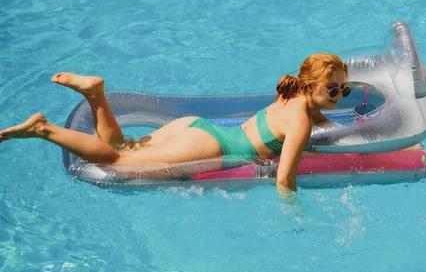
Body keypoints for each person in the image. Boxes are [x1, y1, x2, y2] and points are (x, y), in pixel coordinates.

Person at [0, 53, 351, 199]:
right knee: (115, 163)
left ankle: (96, 95)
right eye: (332, 89)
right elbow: (284, 177)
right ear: (311, 87)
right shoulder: (301, 121)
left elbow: (308, 117)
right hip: (212, 149)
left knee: (125, 147)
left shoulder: (289, 96)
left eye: (343, 90)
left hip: (197, 128)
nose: (338, 95)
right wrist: (293, 212)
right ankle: (44, 129)